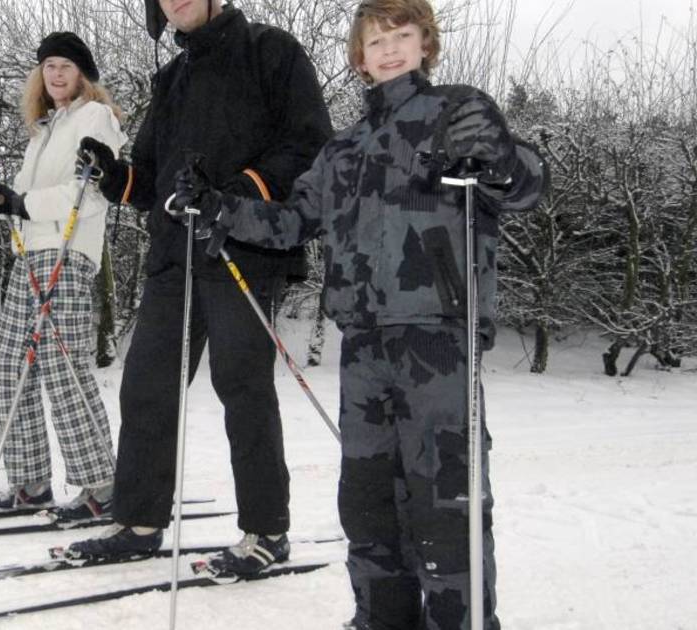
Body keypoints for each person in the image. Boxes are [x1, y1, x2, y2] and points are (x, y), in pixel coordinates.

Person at [171, 0, 546, 625]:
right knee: (368, 500)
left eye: (403, 35)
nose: (390, 48)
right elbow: (291, 221)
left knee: (444, 499)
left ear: (426, 43)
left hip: (437, 337)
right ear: (359, 57)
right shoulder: (343, 151)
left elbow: (528, 182)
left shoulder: (457, 111)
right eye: (376, 40)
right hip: (365, 343)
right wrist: (219, 208)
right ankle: (379, 617)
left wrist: (501, 156)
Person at [65, 0, 332, 574]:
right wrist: (115, 176)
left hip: (244, 248)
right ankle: (138, 522)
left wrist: (233, 193)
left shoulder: (272, 51)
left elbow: (308, 145)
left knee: (242, 386)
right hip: (173, 256)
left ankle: (266, 531)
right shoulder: (172, 78)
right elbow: (148, 176)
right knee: (146, 386)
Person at [0, 32, 127, 523]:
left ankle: (101, 486)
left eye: (65, 66)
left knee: (63, 369)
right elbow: (15, 200)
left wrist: (23, 204)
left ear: (82, 73)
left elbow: (92, 191)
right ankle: (31, 483)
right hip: (31, 255)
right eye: (48, 67)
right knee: (9, 370)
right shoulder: (43, 131)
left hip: (69, 250)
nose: (56, 74)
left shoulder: (96, 118)